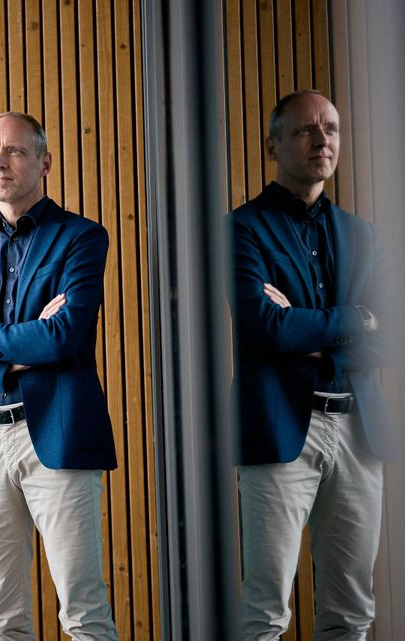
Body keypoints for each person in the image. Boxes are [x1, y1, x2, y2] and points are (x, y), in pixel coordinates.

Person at [0, 112, 119, 640]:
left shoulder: (81, 238)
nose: (0, 162)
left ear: (44, 162)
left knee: (83, 611)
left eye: (13, 150)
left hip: (57, 435)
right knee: (1, 617)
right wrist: (19, 348)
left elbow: (63, 338)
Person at [229, 90, 400, 640]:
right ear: (273, 145)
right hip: (277, 428)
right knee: (264, 612)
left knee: (352, 611)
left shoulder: (363, 235)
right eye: (305, 130)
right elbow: (265, 327)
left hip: (359, 430)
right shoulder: (241, 229)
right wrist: (358, 319)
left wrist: (310, 330)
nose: (322, 140)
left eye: (330, 129)